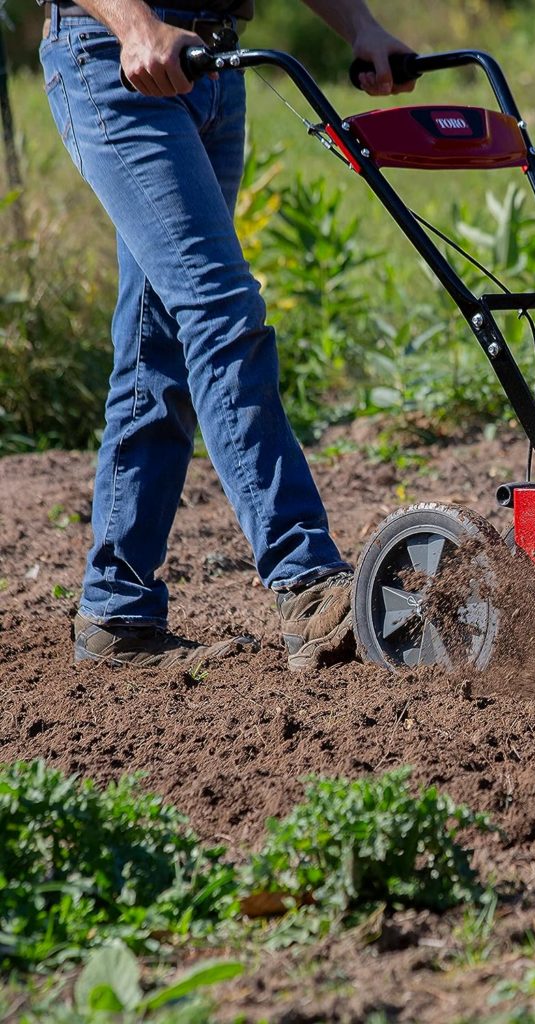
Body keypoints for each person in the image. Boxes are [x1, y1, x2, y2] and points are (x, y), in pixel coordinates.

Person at [38, 0, 415, 669]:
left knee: (160, 340)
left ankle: (115, 609)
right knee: (221, 309)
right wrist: (132, 24)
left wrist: (361, 27)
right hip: (117, 55)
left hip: (211, 63)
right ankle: (305, 581)